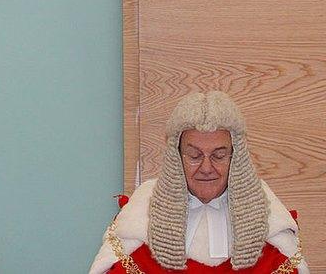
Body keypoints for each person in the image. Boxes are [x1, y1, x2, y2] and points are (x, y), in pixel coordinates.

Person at [89, 91, 309, 274]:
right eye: (194, 155)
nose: (206, 168)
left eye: (219, 155)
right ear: (176, 155)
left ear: (236, 155)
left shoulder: (269, 218)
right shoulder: (139, 217)